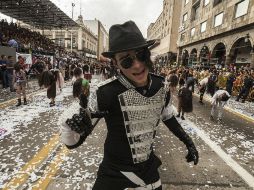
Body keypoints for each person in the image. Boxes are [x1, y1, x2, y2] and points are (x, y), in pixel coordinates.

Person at [61, 21, 199, 190]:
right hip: (113, 174)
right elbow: (73, 142)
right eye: (126, 61)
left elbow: (168, 116)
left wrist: (188, 141)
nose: (138, 65)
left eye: (141, 55)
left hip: (149, 171)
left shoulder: (161, 86)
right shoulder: (105, 93)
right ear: (116, 63)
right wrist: (72, 126)